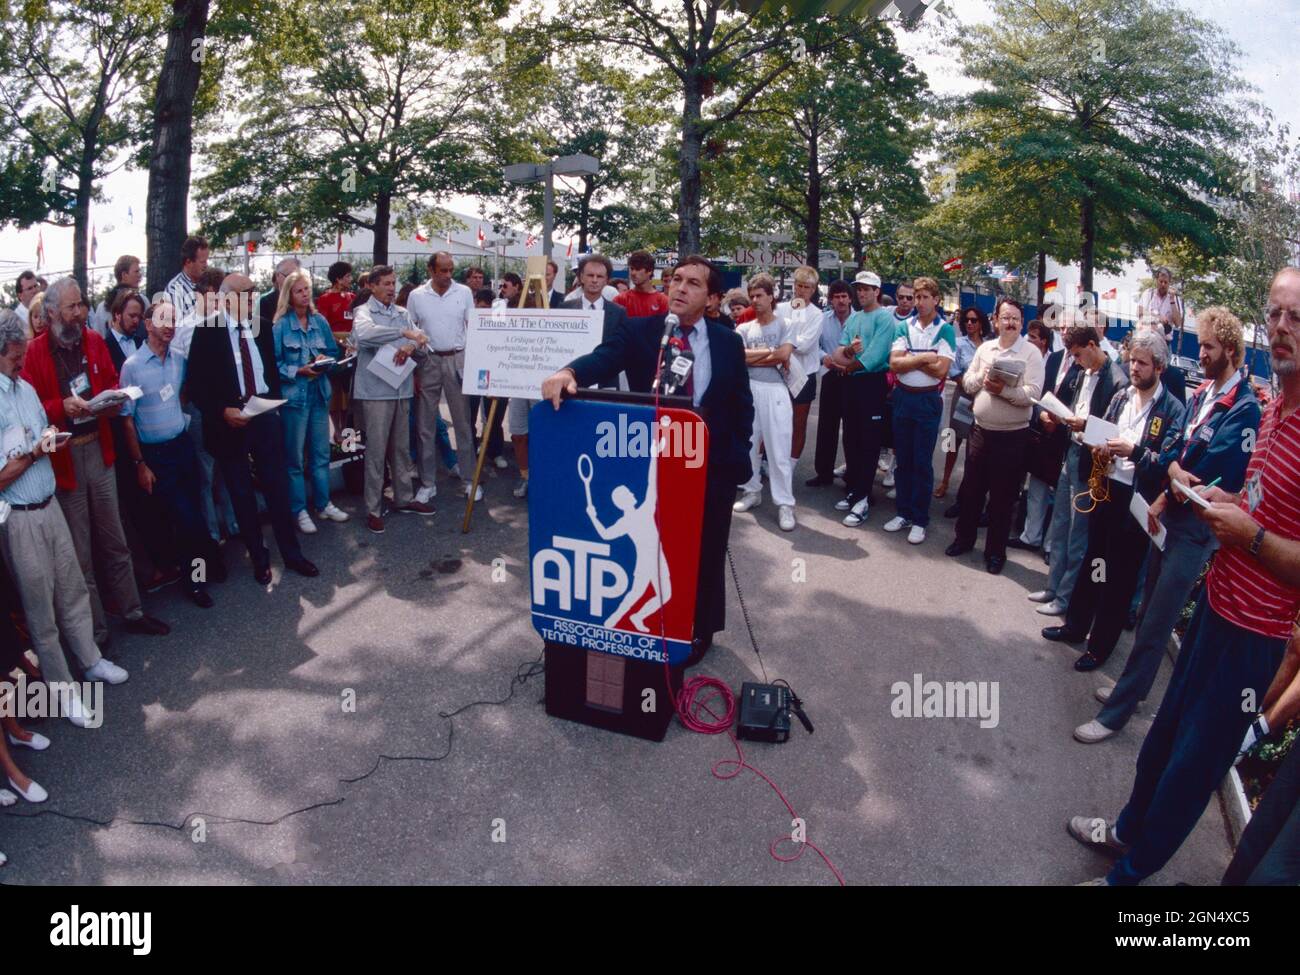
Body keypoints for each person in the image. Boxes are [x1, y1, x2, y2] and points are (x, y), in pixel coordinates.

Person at [1069, 268, 1300, 886]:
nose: (1279, 328)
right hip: (1216, 607)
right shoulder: (1275, 411)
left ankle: (1129, 876)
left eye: (1295, 318)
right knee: (1163, 741)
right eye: (1274, 313)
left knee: (1192, 769)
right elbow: (1259, 500)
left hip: (1252, 639)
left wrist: (1246, 534)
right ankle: (1124, 832)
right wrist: (1221, 498)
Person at [540, 255, 753, 661]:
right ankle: (650, 626)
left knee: (706, 550)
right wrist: (569, 372)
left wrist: (738, 457)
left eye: (693, 283)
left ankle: (700, 629)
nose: (680, 288)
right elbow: (604, 357)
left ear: (712, 297)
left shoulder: (728, 340)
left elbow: (741, 404)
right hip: (653, 466)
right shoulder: (641, 331)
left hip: (710, 466)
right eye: (676, 279)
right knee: (664, 550)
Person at [1074, 308, 1260, 743]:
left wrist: (1168, 470)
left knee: (1157, 624)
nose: (1201, 353)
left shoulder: (1244, 408)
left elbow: (1202, 469)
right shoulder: (1203, 396)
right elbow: (1177, 453)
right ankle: (1132, 689)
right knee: (1147, 617)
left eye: (1209, 347)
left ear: (1230, 350)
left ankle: (1115, 715)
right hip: (1169, 518)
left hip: (1194, 532)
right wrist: (1164, 487)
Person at [20, 277, 170, 643]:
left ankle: (133, 611)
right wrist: (60, 407)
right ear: (52, 312)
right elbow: (30, 410)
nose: (79, 313)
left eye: (81, 305)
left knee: (115, 540)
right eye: (71, 307)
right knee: (80, 553)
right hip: (65, 460)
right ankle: (96, 633)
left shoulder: (94, 341)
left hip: (99, 452)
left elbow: (112, 382)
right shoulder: (35, 353)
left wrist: (114, 396)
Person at [0, 309, 126, 728]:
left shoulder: (24, 390)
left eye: (21, 355)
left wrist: (48, 441)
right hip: (19, 518)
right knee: (41, 612)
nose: (21, 363)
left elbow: (41, 432)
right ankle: (62, 691)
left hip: (49, 503)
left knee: (72, 590)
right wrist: (37, 451)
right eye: (15, 357)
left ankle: (91, 661)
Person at [1041, 330, 1184, 666]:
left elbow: (1167, 462)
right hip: (1106, 488)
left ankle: (1100, 647)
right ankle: (1075, 626)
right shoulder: (1123, 397)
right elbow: (1102, 430)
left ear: (1159, 367)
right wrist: (1098, 441)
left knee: (1119, 577)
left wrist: (1134, 450)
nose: (1134, 368)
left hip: (1136, 501)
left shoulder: (1172, 409)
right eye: (1132, 360)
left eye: (1142, 363)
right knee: (1095, 562)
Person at [184, 273, 319, 583]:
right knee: (242, 494)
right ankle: (259, 559)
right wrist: (222, 411)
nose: (251, 299)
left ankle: (292, 554)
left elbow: (268, 370)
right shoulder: (207, 331)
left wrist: (271, 403)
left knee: (277, 489)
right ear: (227, 298)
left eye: (253, 293)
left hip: (264, 417)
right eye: (245, 293)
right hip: (229, 423)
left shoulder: (261, 326)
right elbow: (195, 386)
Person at [119, 300, 226, 608]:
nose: (170, 325)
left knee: (193, 510)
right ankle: (198, 578)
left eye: (174, 320)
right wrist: (140, 464)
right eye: (163, 319)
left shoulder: (179, 359)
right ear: (148, 324)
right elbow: (126, 419)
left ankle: (202, 569)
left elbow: (180, 395)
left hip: (181, 446)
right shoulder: (133, 367)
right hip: (156, 455)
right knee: (186, 518)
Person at [1027, 323, 1128, 616]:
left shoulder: (1116, 381)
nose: (1075, 360)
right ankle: (1053, 587)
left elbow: (1114, 434)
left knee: (1077, 534)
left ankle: (1066, 597)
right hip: (1070, 452)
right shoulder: (1084, 371)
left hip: (1090, 462)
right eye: (1072, 355)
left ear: (1093, 346)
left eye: (1079, 354)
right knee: (1059, 525)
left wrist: (1084, 426)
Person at [946, 297, 1044, 573]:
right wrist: (984, 379)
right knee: (971, 491)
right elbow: (967, 382)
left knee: (1002, 498)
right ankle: (963, 539)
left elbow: (1033, 395)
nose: (1010, 323)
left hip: (1013, 437)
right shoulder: (986, 348)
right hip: (980, 431)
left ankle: (995, 553)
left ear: (1021, 322)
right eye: (1005, 317)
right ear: (996, 320)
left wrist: (1004, 391)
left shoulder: (1031, 353)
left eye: (1015, 318)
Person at [350, 265, 434, 532]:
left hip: (401, 389)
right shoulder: (363, 312)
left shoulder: (402, 313)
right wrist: (403, 334)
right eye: (385, 283)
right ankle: (373, 508)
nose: (391, 288)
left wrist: (412, 346)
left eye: (393, 283)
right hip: (375, 392)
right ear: (372, 286)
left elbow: (424, 344)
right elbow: (364, 336)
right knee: (375, 451)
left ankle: (404, 498)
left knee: (400, 448)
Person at [272, 268, 348, 533]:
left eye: (307, 290)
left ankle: (323, 503)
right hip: (294, 398)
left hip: (318, 394)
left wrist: (323, 361)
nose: (305, 295)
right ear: (289, 295)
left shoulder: (320, 321)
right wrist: (298, 370)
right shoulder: (281, 325)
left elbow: (330, 351)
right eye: (299, 291)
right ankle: (299, 509)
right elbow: (274, 364)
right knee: (294, 458)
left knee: (320, 453)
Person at [886, 276, 956, 544]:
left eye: (926, 297)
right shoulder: (904, 325)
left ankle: (920, 519)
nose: (920, 302)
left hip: (927, 400)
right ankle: (903, 512)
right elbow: (894, 363)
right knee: (902, 459)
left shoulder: (945, 330)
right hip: (903, 397)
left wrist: (912, 359)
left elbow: (941, 370)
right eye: (917, 297)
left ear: (936, 300)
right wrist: (927, 356)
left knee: (921, 462)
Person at [406, 252, 480, 503]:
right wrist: (415, 364)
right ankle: (427, 483)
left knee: (463, 422)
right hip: (428, 361)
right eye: (443, 271)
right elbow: (410, 330)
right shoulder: (416, 296)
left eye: (451, 270)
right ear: (431, 270)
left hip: (457, 359)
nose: (448, 276)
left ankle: (469, 479)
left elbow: (474, 327)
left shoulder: (464, 293)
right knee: (425, 425)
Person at [828, 271, 901, 528]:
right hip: (851, 385)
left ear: (876, 292)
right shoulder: (855, 317)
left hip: (871, 384)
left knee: (869, 441)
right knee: (851, 438)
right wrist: (847, 354)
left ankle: (862, 501)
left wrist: (847, 366)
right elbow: (839, 351)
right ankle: (857, 491)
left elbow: (874, 356)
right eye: (859, 289)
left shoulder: (885, 319)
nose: (862, 293)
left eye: (867, 289)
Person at [733, 273, 797, 532]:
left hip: (776, 390)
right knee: (749, 444)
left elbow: (784, 354)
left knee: (779, 448)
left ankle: (784, 503)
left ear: (772, 297)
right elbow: (740, 357)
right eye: (753, 296)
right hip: (750, 389)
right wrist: (771, 354)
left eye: (760, 295)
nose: (756, 300)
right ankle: (752, 490)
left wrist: (758, 356)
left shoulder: (786, 324)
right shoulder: (744, 328)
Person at [1011, 319, 1072, 553]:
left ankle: (1049, 546)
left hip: (1064, 435)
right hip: (1045, 431)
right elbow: (1041, 391)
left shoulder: (1081, 364)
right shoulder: (1055, 358)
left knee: (1057, 495)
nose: (1065, 332)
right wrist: (1043, 415)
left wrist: (1060, 421)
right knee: (1036, 488)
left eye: (1070, 328)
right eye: (1063, 328)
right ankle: (1030, 536)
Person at [935, 306, 989, 500]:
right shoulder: (958, 343)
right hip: (963, 395)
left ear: (981, 323)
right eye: (966, 320)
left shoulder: (988, 345)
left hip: (983, 399)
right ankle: (945, 479)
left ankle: (967, 486)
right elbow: (954, 370)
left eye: (974, 320)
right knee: (952, 439)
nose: (969, 323)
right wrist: (969, 386)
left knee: (975, 443)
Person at [808, 280, 854, 487]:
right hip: (830, 376)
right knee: (827, 427)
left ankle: (852, 474)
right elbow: (813, 346)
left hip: (854, 377)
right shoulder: (823, 320)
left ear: (850, 299)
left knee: (853, 430)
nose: (841, 300)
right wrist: (823, 357)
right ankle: (824, 473)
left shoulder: (859, 320)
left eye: (844, 296)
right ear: (831, 300)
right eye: (837, 296)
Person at [777, 266, 824, 464]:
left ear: (813, 290)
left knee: (798, 422)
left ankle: (792, 463)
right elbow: (771, 336)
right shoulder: (780, 309)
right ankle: (768, 460)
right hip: (779, 372)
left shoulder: (816, 314)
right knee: (776, 420)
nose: (802, 290)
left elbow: (804, 345)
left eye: (807, 287)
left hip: (804, 374)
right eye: (799, 285)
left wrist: (784, 341)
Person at [88, 255, 142, 337]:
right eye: (136, 272)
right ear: (124, 275)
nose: (140, 275)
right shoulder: (102, 307)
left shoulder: (101, 307)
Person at [166, 236, 209, 324]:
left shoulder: (207, 283)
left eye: (207, 261)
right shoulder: (174, 289)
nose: (206, 265)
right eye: (202, 262)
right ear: (188, 262)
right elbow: (178, 326)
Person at [615, 250, 670, 318]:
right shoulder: (620, 299)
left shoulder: (663, 301)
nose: (633, 273)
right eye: (632, 269)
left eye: (638, 269)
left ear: (649, 271)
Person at [1137, 267, 1184, 341]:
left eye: (1166, 282)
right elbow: (1139, 313)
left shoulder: (1175, 299)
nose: (1163, 284)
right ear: (1156, 281)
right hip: (1145, 339)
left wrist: (1172, 301)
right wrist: (1158, 317)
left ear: (1169, 283)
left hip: (1164, 342)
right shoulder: (1148, 293)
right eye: (1161, 281)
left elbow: (1178, 323)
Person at [316, 261, 355, 333]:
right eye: (348, 276)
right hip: (333, 341)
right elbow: (322, 325)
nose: (351, 279)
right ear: (338, 279)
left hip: (352, 341)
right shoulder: (325, 299)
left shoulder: (353, 297)